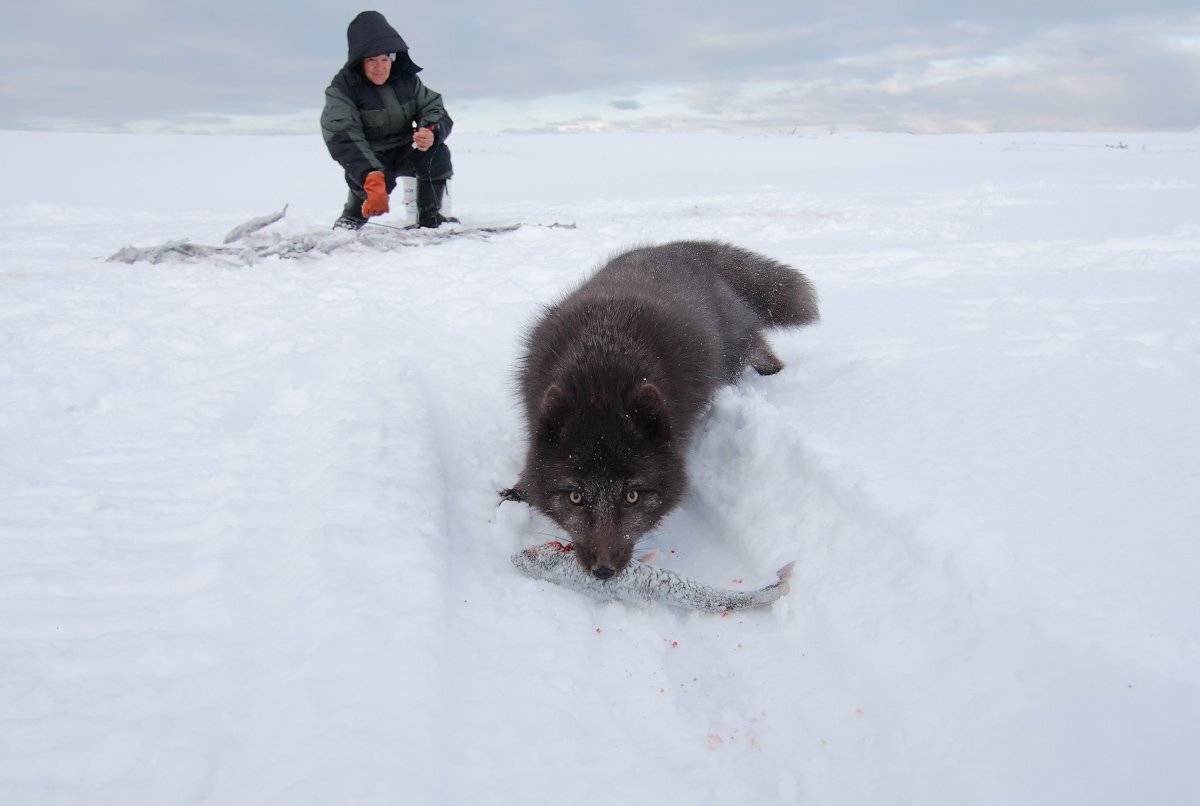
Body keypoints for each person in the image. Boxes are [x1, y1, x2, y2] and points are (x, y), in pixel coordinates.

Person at [320, 10, 457, 230]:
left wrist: (430, 131)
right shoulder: (342, 90)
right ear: (359, 62)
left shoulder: (407, 80)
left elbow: (433, 107)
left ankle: (430, 218)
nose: (380, 66)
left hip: (405, 150)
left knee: (437, 153)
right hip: (370, 157)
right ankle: (351, 217)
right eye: (371, 59)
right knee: (362, 204)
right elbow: (343, 135)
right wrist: (371, 175)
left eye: (385, 58)